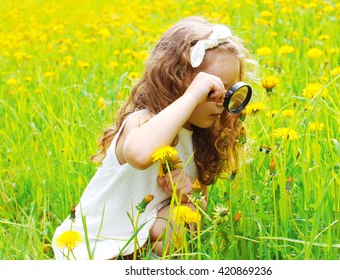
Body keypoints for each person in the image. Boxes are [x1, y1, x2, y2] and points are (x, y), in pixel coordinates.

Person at [52, 16, 252, 260]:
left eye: (230, 90)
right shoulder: (142, 121)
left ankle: (141, 259)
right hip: (93, 239)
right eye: (212, 90)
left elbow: (198, 214)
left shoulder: (202, 139)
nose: (222, 101)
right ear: (176, 82)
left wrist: (187, 194)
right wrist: (190, 99)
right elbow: (139, 155)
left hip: (141, 232)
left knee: (184, 218)